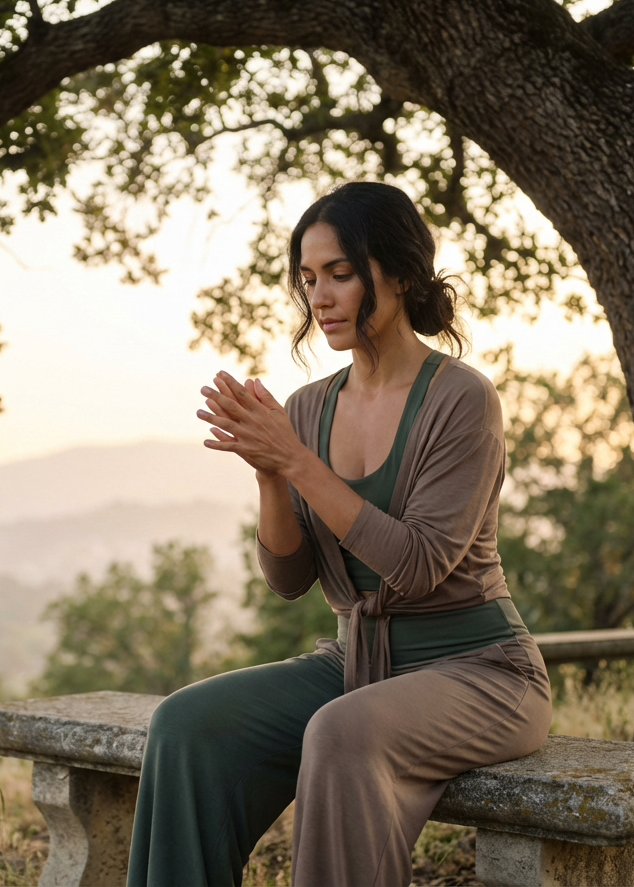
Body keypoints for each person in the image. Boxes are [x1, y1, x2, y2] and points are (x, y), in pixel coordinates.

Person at [126, 182, 552, 887]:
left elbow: (418, 566)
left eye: (340, 274)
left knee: (341, 731)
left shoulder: (461, 399)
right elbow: (290, 581)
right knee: (184, 726)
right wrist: (269, 473)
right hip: (356, 665)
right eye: (307, 279)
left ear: (401, 274)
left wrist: (296, 460)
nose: (318, 297)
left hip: (483, 674)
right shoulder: (309, 406)